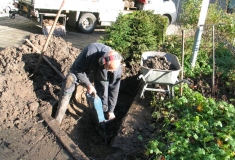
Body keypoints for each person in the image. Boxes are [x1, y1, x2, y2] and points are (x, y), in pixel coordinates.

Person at [55, 43, 123, 124]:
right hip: (84, 70)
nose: (112, 72)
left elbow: (114, 90)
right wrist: (89, 85)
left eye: (113, 70)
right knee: (69, 80)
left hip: (99, 74)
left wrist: (111, 110)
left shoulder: (116, 69)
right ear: (103, 62)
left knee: (104, 91)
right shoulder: (90, 51)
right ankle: (58, 116)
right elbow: (76, 69)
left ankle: (103, 115)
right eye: (109, 69)